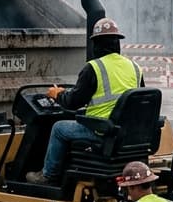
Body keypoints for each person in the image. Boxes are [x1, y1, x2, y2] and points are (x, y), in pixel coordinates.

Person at [26, 17, 144, 185]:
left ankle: (48, 175)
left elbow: (73, 102)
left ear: (96, 44)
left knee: (59, 128)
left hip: (102, 132)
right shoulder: (135, 67)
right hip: (127, 134)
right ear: (117, 43)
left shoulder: (94, 68)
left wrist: (57, 94)